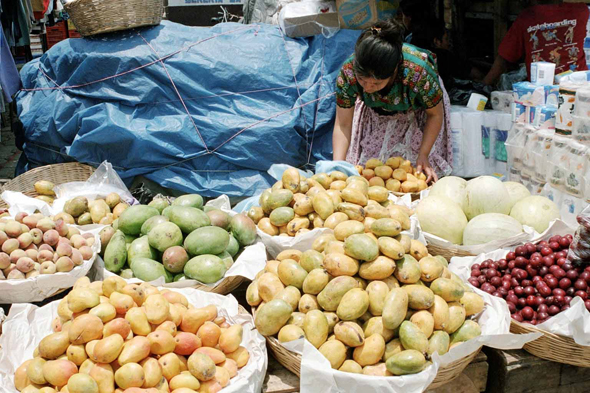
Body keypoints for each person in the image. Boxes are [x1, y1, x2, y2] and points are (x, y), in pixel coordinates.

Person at [332, 20, 453, 182]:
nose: (367, 88)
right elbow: (343, 124)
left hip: (421, 107)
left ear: (395, 70)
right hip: (377, 110)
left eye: (376, 83)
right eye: (362, 80)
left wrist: (423, 154)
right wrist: (336, 167)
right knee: (373, 169)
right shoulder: (348, 73)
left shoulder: (418, 73)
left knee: (415, 172)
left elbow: (435, 115)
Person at [483, 0, 589, 86]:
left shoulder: (526, 17)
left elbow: (503, 60)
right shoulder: (581, 10)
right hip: (579, 88)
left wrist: (482, 86)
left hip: (540, 94)